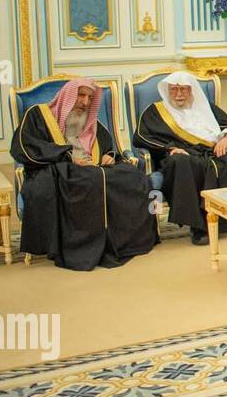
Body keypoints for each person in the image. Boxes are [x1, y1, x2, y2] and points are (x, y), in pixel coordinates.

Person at [10, 78, 159, 270]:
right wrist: (67, 156)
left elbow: (109, 146)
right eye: (81, 95)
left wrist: (109, 155)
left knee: (134, 177)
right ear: (68, 95)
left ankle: (126, 241)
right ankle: (84, 245)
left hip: (93, 168)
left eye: (90, 97)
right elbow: (25, 147)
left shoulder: (91, 120)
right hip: (57, 169)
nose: (86, 102)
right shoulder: (38, 115)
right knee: (91, 179)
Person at [133, 71, 227, 245]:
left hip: (214, 151)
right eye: (174, 90)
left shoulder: (205, 106)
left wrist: (226, 138)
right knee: (180, 162)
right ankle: (200, 227)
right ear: (167, 91)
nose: (178, 94)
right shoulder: (155, 111)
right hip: (183, 154)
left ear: (191, 90)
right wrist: (170, 148)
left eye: (183, 90)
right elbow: (142, 137)